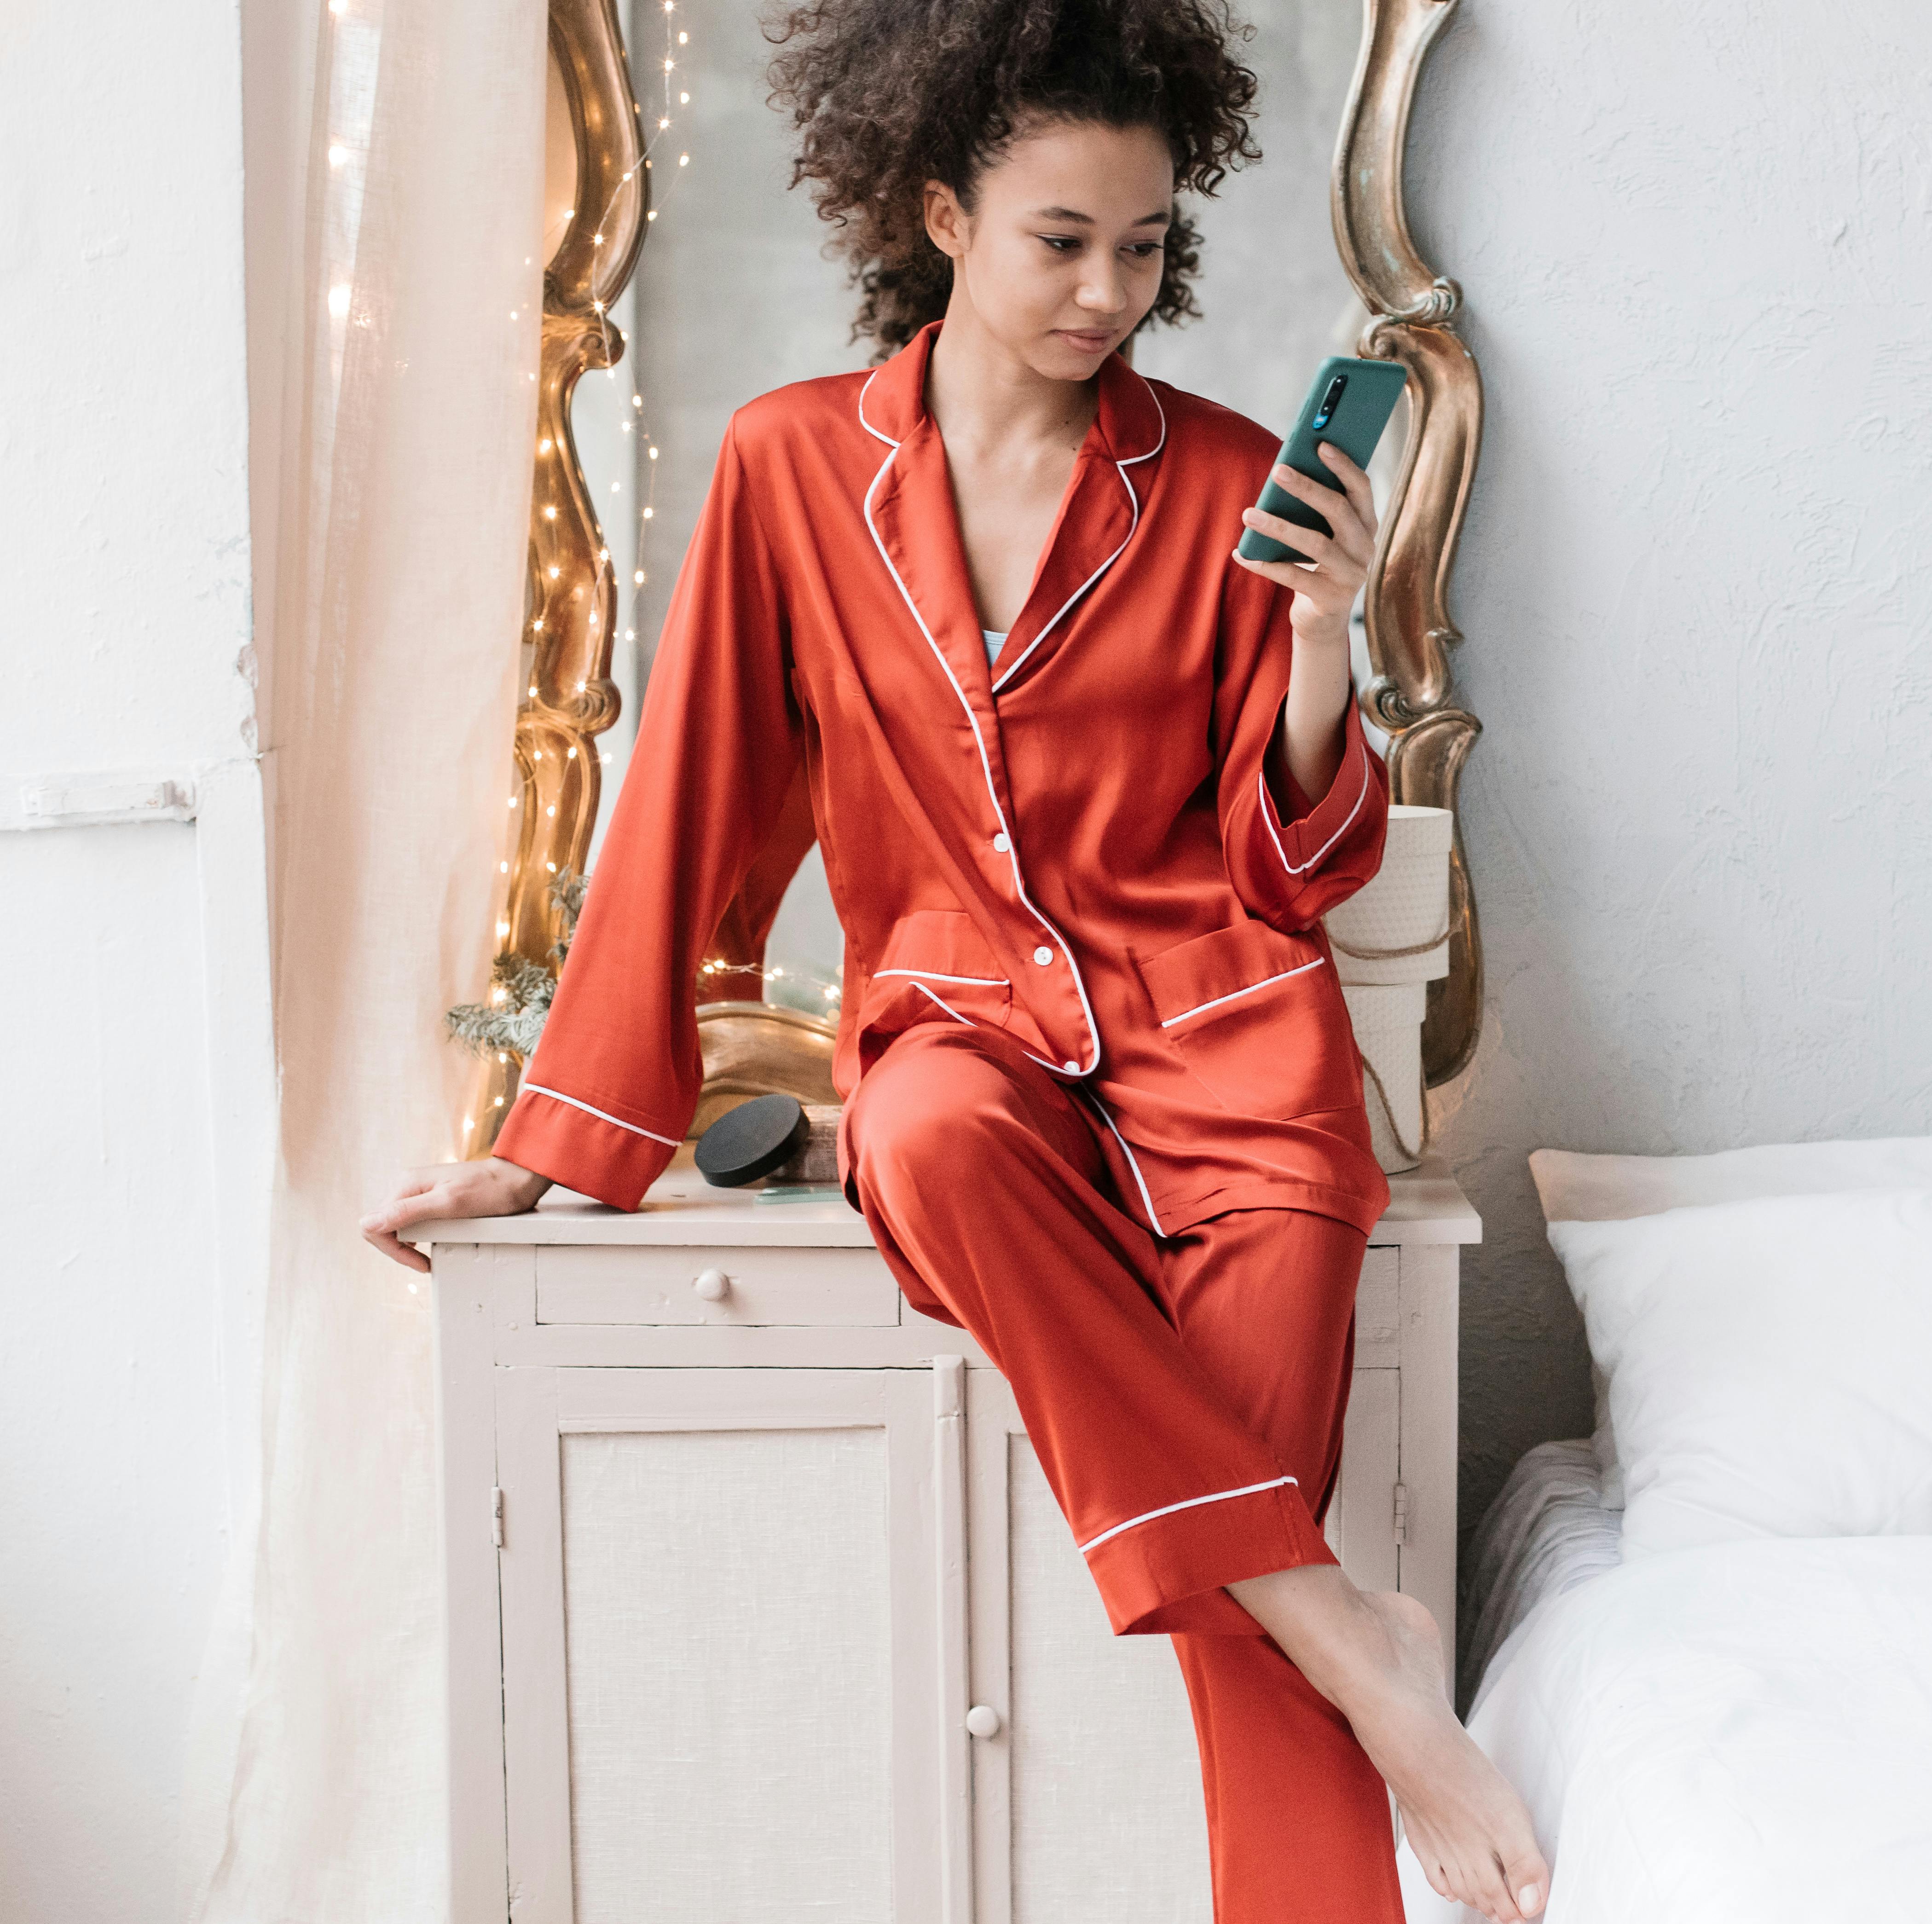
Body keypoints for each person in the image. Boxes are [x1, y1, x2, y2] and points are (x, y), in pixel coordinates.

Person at [358, 2, 1549, 1918]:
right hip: (964, 1042)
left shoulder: (1232, 474)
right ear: (937, 213)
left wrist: (1323, 631)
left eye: (1147, 246)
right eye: (1059, 239)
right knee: (916, 1137)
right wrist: (555, 1138)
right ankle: (1373, 1653)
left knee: (1230, 1597)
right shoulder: (786, 470)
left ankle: (1321, 1695)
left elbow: (1291, 862)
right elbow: (689, 808)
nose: (1107, 290)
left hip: (1233, 1068)